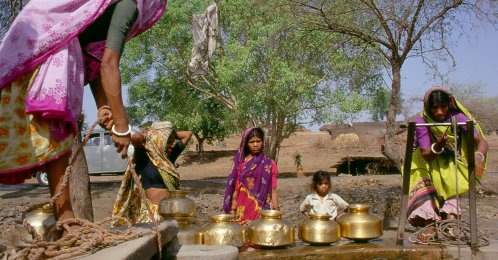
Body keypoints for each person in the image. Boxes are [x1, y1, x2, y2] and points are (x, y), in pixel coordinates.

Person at [0, 0, 166, 229]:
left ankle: (66, 220)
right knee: (56, 128)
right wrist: (122, 126)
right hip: (46, 48)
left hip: (24, 50)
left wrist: (103, 107)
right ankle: (66, 221)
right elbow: (109, 65)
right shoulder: (130, 4)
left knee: (54, 134)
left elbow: (95, 58)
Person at [408, 86, 488, 241]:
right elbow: (427, 155)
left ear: (449, 104)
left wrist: (478, 156)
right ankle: (429, 224)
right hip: (425, 161)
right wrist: (439, 145)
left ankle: (449, 223)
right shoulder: (422, 120)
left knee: (452, 184)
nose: (439, 112)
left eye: (443, 107)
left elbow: (482, 142)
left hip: (448, 161)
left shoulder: (458, 118)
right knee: (427, 191)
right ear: (427, 107)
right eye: (434, 108)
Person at [112, 121, 192, 223]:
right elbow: (136, 138)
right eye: (168, 142)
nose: (172, 145)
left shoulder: (167, 159)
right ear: (158, 140)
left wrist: (169, 132)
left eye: (172, 142)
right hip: (154, 216)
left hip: (171, 212)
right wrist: (149, 134)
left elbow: (188, 135)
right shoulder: (144, 158)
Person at [223, 127, 280, 224]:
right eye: (252, 142)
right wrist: (232, 210)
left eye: (259, 141)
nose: (255, 145)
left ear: (263, 142)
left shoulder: (270, 164)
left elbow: (273, 190)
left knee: (259, 236)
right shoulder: (241, 164)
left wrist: (276, 210)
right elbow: (236, 188)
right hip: (241, 207)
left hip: (260, 209)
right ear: (246, 144)